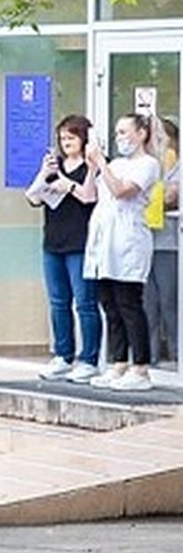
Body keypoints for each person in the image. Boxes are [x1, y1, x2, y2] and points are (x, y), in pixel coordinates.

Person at [84, 112, 160, 390]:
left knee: (129, 303)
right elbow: (91, 194)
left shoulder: (148, 164)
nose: (120, 139)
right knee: (110, 305)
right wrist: (94, 165)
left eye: (125, 132)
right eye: (117, 133)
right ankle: (119, 364)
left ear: (141, 134)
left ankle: (141, 368)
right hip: (105, 240)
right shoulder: (115, 163)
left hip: (128, 240)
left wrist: (102, 163)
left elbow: (121, 191)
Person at [24, 115, 101, 382]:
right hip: (53, 242)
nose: (65, 142)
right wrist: (44, 174)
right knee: (58, 303)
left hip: (80, 243)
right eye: (62, 138)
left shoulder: (93, 166)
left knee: (85, 303)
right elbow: (33, 197)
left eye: (71, 137)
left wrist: (68, 184)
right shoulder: (55, 166)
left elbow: (89, 196)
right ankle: (63, 355)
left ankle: (89, 358)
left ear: (84, 139)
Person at [143, 117, 179, 365]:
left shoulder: (176, 166)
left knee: (170, 302)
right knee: (148, 304)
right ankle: (150, 355)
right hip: (146, 241)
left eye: (161, 137)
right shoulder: (147, 165)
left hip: (170, 243)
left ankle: (177, 353)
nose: (157, 142)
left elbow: (171, 197)